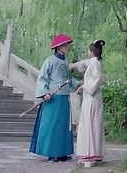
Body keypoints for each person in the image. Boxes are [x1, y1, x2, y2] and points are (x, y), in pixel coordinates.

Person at [30, 33, 79, 162]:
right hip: (53, 97)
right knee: (53, 125)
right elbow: (42, 78)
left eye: (66, 45)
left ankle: (63, 153)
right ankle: (52, 153)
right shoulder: (49, 61)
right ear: (58, 47)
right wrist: (45, 93)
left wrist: (77, 85)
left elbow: (69, 77)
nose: (66, 47)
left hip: (65, 97)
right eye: (64, 45)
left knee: (64, 126)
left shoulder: (66, 61)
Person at [69, 39, 106, 167]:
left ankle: (89, 156)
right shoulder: (94, 62)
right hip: (92, 97)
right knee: (93, 124)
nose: (87, 53)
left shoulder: (94, 63)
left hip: (92, 98)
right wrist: (74, 65)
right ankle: (95, 154)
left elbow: (98, 78)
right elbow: (84, 63)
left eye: (88, 51)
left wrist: (85, 87)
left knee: (90, 125)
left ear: (92, 52)